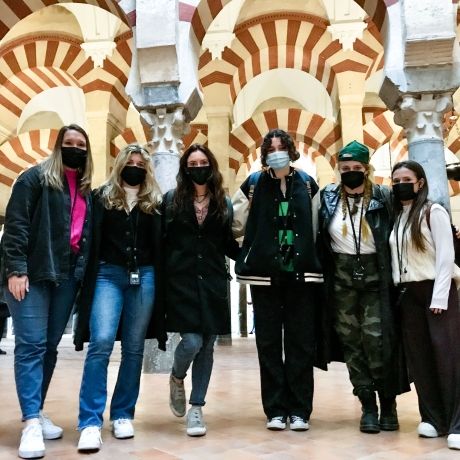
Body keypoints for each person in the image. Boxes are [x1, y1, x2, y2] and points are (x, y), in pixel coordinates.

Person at [1, 124, 93, 459]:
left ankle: (36, 411)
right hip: (33, 274)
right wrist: (16, 269)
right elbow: (17, 223)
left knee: (49, 348)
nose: (75, 148)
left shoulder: (84, 189)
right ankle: (29, 424)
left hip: (65, 277)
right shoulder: (35, 178)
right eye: (69, 143)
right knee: (31, 346)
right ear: (58, 146)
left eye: (80, 144)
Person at [74, 144, 166, 452]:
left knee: (134, 347)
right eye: (131, 161)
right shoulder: (101, 198)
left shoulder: (154, 202)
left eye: (141, 163)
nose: (135, 167)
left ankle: (124, 414)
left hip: (145, 276)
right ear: (120, 165)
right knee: (100, 342)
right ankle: (89, 420)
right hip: (107, 275)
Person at [232, 128, 323, 431]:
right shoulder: (254, 183)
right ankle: (275, 409)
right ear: (264, 154)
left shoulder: (308, 184)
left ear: (290, 149)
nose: (276, 152)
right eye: (270, 148)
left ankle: (299, 410)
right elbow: (233, 223)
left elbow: (316, 227)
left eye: (281, 146)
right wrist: (245, 253)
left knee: (300, 344)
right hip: (265, 278)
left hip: (301, 277)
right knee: (268, 344)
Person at [318, 140, 409, 434]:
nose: (351, 173)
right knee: (352, 345)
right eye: (345, 168)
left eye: (356, 168)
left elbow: (406, 224)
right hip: (341, 282)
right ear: (338, 170)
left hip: (376, 279)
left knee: (378, 342)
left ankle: (388, 403)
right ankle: (367, 405)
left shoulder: (383, 196)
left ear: (366, 169)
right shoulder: (328, 197)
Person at [165, 144, 239, 437]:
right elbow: (164, 242)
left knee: (207, 345)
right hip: (181, 282)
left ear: (211, 166)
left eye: (203, 162)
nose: (198, 167)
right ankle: (176, 375)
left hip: (212, 281)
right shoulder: (172, 200)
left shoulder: (224, 202)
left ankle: (196, 408)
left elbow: (226, 244)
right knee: (192, 341)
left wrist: (252, 257)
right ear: (185, 168)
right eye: (192, 163)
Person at [389, 160, 460, 450]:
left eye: (406, 179)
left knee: (448, 358)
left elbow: (445, 257)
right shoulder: (398, 217)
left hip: (436, 292)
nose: (400, 184)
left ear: (419, 183)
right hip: (409, 295)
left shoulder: (434, 211)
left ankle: (457, 422)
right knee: (420, 360)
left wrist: (440, 298)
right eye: (395, 181)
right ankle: (433, 418)